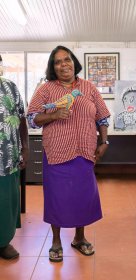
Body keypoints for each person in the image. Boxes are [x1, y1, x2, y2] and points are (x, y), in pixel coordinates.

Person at [27, 46, 110, 262]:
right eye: (58, 62)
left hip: (84, 152)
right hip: (56, 152)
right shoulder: (46, 89)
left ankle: (79, 239)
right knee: (57, 197)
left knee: (83, 196)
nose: (64, 64)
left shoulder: (89, 87)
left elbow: (102, 117)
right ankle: (56, 241)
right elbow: (32, 118)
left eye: (67, 59)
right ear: (52, 67)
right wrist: (53, 115)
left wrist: (105, 140)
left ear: (74, 62)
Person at [0, 55, 29, 259]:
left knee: (6, 201)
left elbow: (21, 118)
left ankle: (3, 242)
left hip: (7, 158)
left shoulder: (10, 87)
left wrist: (25, 147)